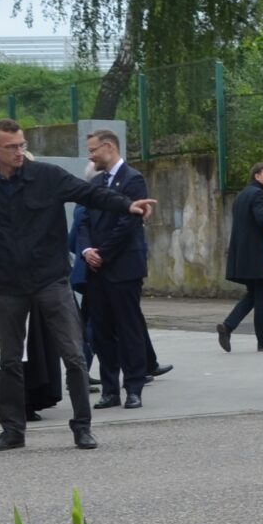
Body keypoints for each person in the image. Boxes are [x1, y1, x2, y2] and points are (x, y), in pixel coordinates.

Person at [0, 119, 145, 450]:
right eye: (12, 147)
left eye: (22, 145)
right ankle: (13, 430)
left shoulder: (47, 176)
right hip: (10, 285)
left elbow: (90, 193)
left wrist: (127, 205)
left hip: (50, 279)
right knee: (10, 361)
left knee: (73, 356)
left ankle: (82, 426)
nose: (20, 152)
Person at [77, 129, 152, 409]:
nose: (91, 155)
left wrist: (103, 253)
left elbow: (129, 222)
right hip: (96, 269)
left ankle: (134, 387)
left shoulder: (133, 179)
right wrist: (87, 251)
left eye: (93, 149)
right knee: (102, 331)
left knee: (128, 328)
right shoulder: (95, 183)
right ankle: (110, 389)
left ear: (108, 147)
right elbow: (83, 220)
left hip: (123, 267)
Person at [217, 163, 263, 352]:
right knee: (261, 299)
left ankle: (227, 326)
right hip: (258, 255)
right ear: (257, 176)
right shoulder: (258, 194)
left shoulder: (243, 194)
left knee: (254, 296)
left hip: (245, 255)